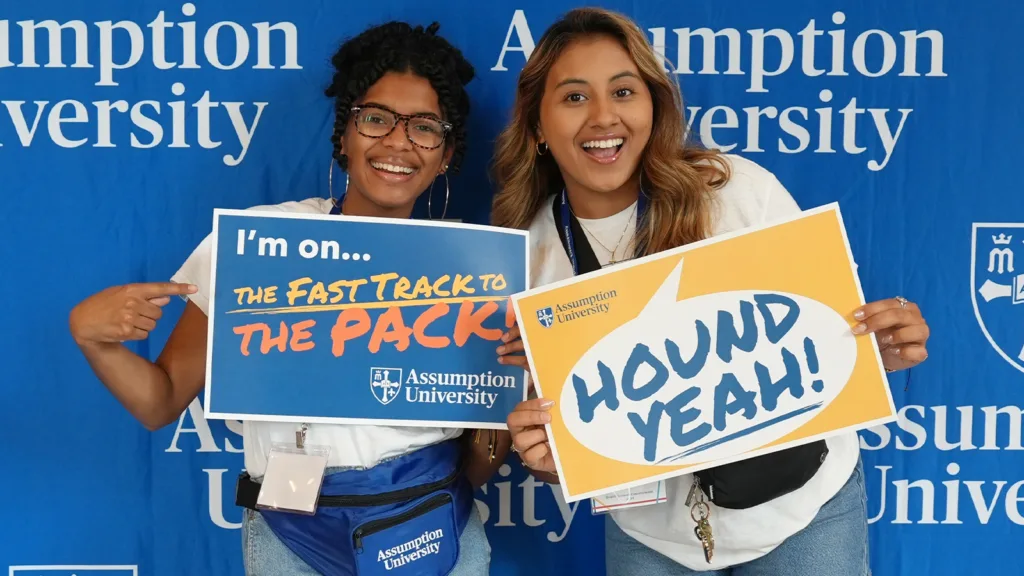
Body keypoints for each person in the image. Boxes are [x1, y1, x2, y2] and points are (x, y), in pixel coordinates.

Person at [493, 8, 930, 576]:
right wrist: (551, 461)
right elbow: (561, 430)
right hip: (652, 535)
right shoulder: (526, 256)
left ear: (653, 106)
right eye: (574, 97)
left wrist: (878, 349)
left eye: (623, 91)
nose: (604, 116)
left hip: (801, 510)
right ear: (536, 125)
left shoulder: (735, 191)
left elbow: (833, 336)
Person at [68, 21, 506, 576]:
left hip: (438, 526)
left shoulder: (475, 270)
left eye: (425, 128)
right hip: (292, 536)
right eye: (376, 119)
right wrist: (93, 339)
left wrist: (498, 422)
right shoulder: (258, 244)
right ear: (343, 135)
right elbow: (160, 401)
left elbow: (485, 450)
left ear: (446, 155)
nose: (398, 142)